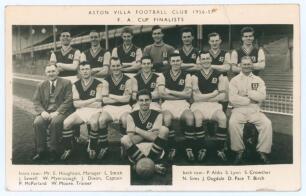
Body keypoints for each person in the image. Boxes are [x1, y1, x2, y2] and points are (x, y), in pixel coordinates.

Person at [229, 56, 272, 164]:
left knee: (267, 123)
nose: (247, 66)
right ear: (240, 66)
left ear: (252, 65)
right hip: (239, 109)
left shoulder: (258, 80)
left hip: (254, 109)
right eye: (244, 64)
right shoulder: (234, 80)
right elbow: (232, 99)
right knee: (233, 122)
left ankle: (262, 152)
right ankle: (239, 151)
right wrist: (250, 99)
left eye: (249, 64)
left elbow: (262, 97)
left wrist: (248, 93)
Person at [60, 62, 103, 160]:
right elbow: (76, 104)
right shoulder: (75, 84)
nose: (85, 71)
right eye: (82, 69)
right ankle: (68, 148)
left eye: (87, 69)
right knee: (66, 123)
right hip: (81, 111)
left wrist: (82, 102)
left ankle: (92, 147)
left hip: (95, 110)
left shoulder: (99, 83)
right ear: (79, 71)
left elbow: (99, 103)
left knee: (94, 123)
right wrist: (92, 100)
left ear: (91, 70)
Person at [191, 51, 228, 162]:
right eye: (203, 59)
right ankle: (201, 148)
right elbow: (196, 98)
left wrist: (205, 97)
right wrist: (213, 94)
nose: (206, 60)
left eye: (208, 58)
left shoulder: (219, 74)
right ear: (200, 61)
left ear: (211, 59)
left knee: (223, 118)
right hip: (199, 105)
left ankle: (220, 149)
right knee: (198, 118)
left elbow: (222, 96)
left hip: (214, 105)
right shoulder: (195, 76)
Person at [121, 89, 169, 174]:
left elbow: (154, 138)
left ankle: (143, 165)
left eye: (146, 100)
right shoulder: (131, 116)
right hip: (137, 150)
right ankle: (153, 166)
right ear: (137, 102)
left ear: (150, 100)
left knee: (164, 130)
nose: (144, 103)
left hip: (154, 148)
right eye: (141, 100)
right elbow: (132, 140)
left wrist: (137, 129)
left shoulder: (158, 114)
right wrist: (149, 134)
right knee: (124, 139)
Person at [157, 53, 194, 161]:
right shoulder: (162, 75)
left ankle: (189, 147)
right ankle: (172, 147)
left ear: (181, 62)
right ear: (170, 62)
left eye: (178, 61)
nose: (176, 63)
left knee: (190, 118)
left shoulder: (187, 75)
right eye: (173, 61)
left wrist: (170, 92)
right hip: (167, 104)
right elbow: (161, 94)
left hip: (182, 103)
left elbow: (188, 95)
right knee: (167, 118)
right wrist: (180, 94)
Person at [32, 64, 72, 162]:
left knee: (55, 123)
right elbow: (36, 101)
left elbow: (68, 100)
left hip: (61, 112)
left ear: (57, 72)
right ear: (46, 73)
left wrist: (57, 112)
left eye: (53, 71)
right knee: (38, 122)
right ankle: (41, 151)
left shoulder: (66, 83)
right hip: (46, 111)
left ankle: (54, 151)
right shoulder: (41, 85)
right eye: (49, 72)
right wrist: (42, 112)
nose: (51, 74)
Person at [98, 57, 133, 159]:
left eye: (118, 65)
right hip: (109, 107)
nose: (116, 68)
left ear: (121, 66)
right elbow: (105, 100)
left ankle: (124, 146)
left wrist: (111, 95)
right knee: (101, 120)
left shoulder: (128, 80)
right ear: (110, 67)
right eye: (113, 66)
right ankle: (104, 147)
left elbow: (127, 99)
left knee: (126, 120)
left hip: (124, 107)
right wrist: (120, 97)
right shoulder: (106, 80)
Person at [207, 32, 231, 113]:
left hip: (223, 78)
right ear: (209, 42)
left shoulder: (225, 53)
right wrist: (220, 67)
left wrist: (209, 66)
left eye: (216, 40)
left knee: (224, 99)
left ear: (220, 41)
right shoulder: (204, 53)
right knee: (209, 100)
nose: (214, 43)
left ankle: (222, 117)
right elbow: (200, 67)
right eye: (212, 41)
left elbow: (227, 68)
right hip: (208, 79)